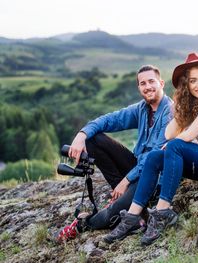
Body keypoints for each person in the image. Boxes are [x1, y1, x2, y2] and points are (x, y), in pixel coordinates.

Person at [103, 52, 198, 246]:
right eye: (193, 81)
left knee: (175, 146)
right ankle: (132, 217)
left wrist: (174, 141)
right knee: (156, 156)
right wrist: (182, 107)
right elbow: (169, 133)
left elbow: (185, 137)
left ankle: (163, 211)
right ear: (186, 85)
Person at [56, 65, 173, 242]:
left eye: (151, 81)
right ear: (139, 88)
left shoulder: (170, 111)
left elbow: (155, 154)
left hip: (154, 174)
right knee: (93, 138)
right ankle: (124, 197)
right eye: (143, 83)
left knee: (113, 212)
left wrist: (125, 181)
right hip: (137, 166)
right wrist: (82, 134)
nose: (147, 86)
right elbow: (110, 119)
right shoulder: (142, 108)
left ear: (161, 83)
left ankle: (84, 224)